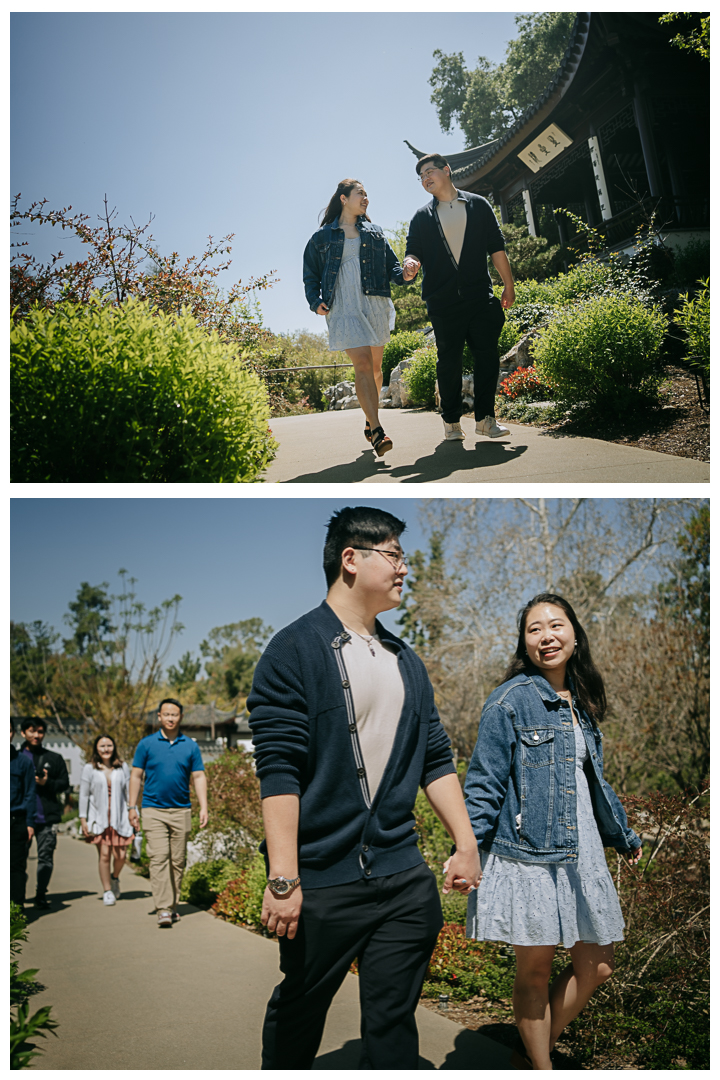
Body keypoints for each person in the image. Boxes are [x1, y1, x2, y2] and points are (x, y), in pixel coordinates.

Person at [248, 506, 480, 1070]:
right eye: (395, 555)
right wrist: (284, 879)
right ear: (351, 559)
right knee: (301, 1009)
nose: (405, 568)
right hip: (324, 880)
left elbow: (436, 759)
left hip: (403, 880)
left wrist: (467, 843)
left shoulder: (407, 662)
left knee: (393, 1023)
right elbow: (278, 770)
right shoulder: (294, 650)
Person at [461, 593, 643, 1070]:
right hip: (529, 853)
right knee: (535, 970)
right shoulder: (509, 701)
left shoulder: (579, 702)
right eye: (534, 629)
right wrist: (469, 850)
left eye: (556, 625)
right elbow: (483, 783)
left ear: (575, 634)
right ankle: (541, 1064)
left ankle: (532, 1045)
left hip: (581, 850)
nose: (547, 636)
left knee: (598, 965)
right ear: (524, 642)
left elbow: (590, 781)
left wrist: (622, 835)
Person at [403, 153, 516, 442]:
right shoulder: (421, 216)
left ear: (447, 170)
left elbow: (496, 247)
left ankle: (486, 420)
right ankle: (452, 422)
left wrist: (508, 284)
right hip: (443, 302)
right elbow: (413, 248)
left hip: (480, 295)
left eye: (429, 172)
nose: (426, 179)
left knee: (487, 357)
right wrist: (411, 262)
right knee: (449, 362)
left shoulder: (478, 205)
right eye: (421, 177)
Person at [303, 179, 416, 457]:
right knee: (363, 363)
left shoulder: (375, 232)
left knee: (376, 369)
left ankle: (369, 417)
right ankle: (377, 431)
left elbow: (392, 266)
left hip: (374, 301)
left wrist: (406, 273)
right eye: (360, 193)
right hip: (343, 305)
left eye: (367, 194)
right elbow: (310, 275)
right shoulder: (322, 238)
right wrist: (315, 301)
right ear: (344, 198)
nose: (366, 198)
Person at [128, 699, 208, 928]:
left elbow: (199, 777)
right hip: (153, 809)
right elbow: (135, 776)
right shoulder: (146, 744)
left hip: (181, 809)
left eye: (175, 714)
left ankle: (172, 905)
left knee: (177, 861)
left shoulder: (190, 746)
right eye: (166, 714)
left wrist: (204, 806)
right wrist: (131, 806)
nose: (171, 718)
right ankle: (163, 907)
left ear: (180, 717)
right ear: (159, 717)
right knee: (159, 857)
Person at [19, 718, 70, 908]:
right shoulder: (14, 758)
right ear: (23, 733)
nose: (36, 735)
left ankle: (41, 894)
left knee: (46, 859)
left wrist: (46, 783)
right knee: (17, 861)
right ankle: (18, 898)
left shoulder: (54, 758)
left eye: (40, 731)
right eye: (32, 731)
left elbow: (64, 784)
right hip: (21, 819)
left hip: (46, 818)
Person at [79, 734, 134, 906]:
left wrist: (134, 812)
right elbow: (84, 795)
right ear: (96, 748)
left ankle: (115, 877)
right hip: (99, 819)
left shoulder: (122, 767)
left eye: (109, 745)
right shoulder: (90, 768)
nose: (106, 749)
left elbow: (129, 792)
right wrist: (83, 819)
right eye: (102, 746)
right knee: (104, 855)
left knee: (121, 855)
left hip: (120, 818)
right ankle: (107, 890)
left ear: (114, 747)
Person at [10, 721, 35, 906]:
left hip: (15, 821)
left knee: (16, 867)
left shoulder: (23, 761)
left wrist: (29, 823)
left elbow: (29, 794)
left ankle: (15, 911)